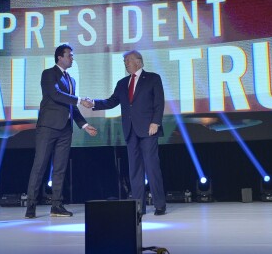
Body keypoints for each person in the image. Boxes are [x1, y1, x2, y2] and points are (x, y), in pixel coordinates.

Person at [87, 50, 166, 215]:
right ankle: (139, 206)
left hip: (148, 130)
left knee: (152, 167)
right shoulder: (122, 83)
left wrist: (156, 122)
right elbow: (111, 101)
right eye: (124, 61)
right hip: (130, 131)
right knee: (135, 170)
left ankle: (159, 204)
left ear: (138, 61)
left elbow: (159, 102)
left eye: (128, 60)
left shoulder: (152, 78)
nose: (126, 63)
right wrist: (93, 103)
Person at [25, 44, 97, 219]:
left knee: (60, 168)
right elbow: (55, 95)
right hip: (48, 127)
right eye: (70, 55)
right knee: (40, 165)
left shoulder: (71, 80)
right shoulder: (49, 74)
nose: (72, 58)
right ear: (60, 57)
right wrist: (80, 100)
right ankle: (31, 205)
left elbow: (70, 106)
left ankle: (56, 205)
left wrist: (84, 125)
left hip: (65, 130)